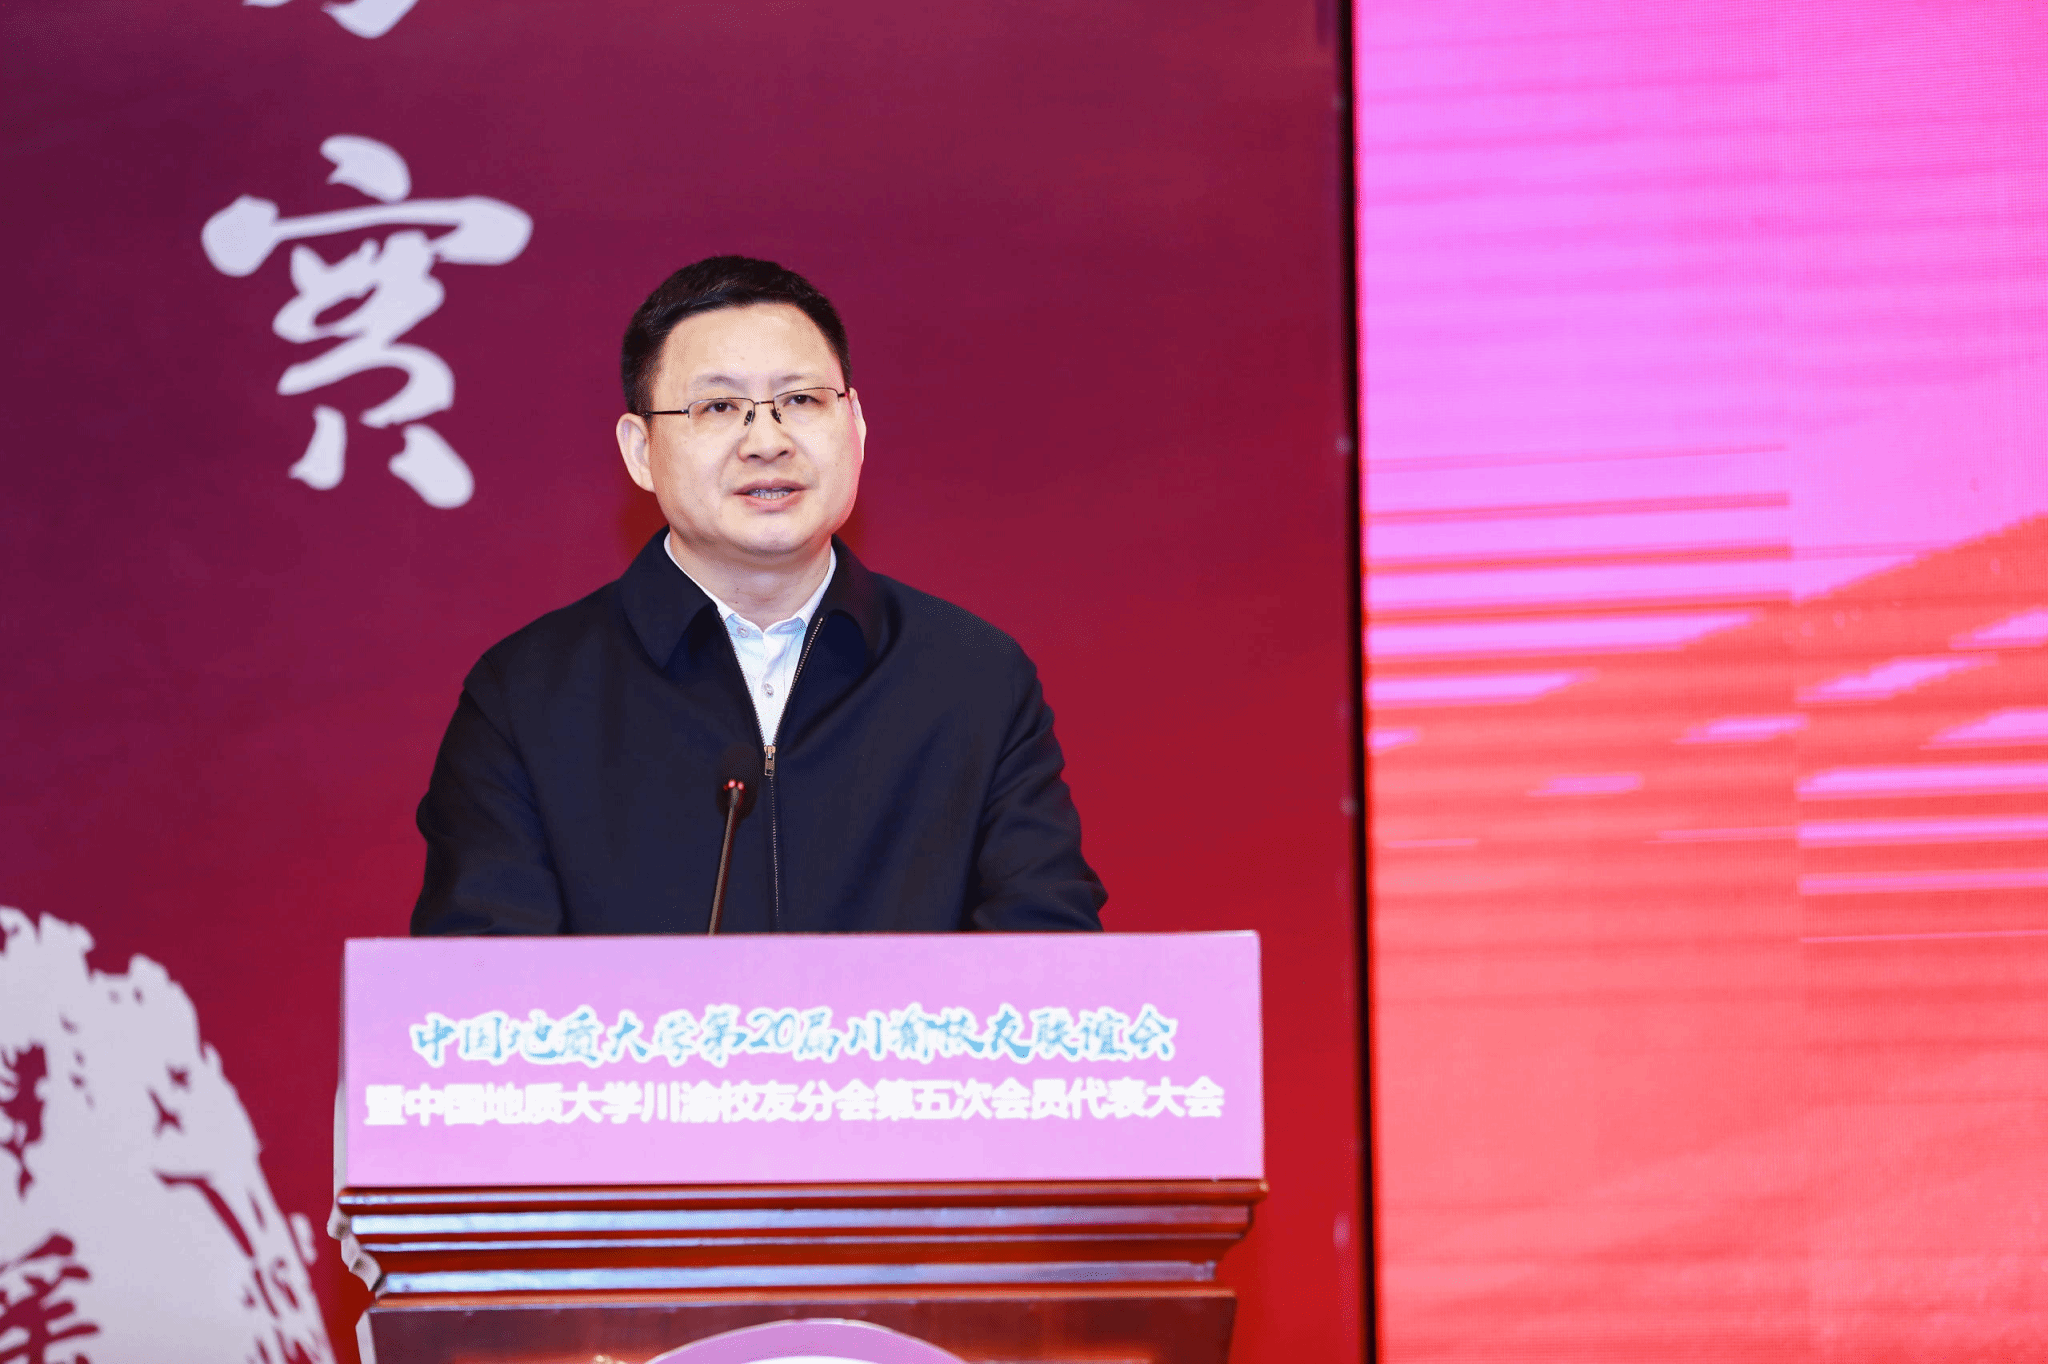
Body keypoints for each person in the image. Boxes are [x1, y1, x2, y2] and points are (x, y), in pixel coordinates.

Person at [409, 256, 1105, 935]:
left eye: (801, 400)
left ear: (857, 425)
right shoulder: (527, 696)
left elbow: (1051, 959)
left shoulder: (975, 679)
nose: (767, 442)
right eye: (719, 406)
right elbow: (480, 985)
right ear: (641, 450)